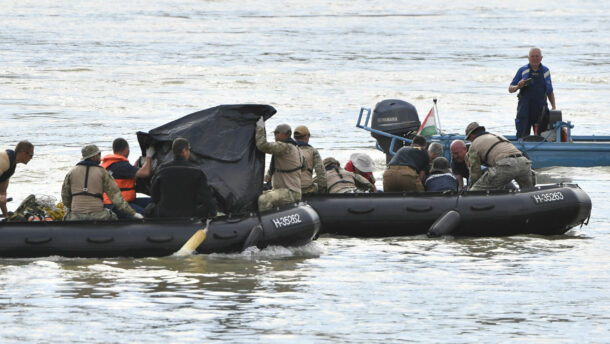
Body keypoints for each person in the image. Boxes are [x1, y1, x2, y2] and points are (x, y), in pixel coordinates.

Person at [61, 144, 142, 221]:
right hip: (98, 215)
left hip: (75, 216)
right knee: (114, 217)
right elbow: (117, 198)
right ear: (94, 156)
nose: (100, 157)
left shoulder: (71, 172)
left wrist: (74, 208)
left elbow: (65, 197)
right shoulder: (103, 172)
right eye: (99, 154)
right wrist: (133, 213)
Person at [148, 138, 216, 218]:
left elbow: (154, 196)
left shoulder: (162, 169)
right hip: (190, 214)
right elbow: (207, 198)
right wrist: (213, 214)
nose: (189, 152)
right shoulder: (197, 171)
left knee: (149, 208)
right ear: (184, 151)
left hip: (164, 213)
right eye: (189, 150)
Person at [465, 122, 534, 191]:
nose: (470, 141)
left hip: (505, 165)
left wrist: (472, 186)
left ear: (471, 135)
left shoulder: (474, 144)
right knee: (529, 190)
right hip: (523, 162)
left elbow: (475, 171)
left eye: (469, 138)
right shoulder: (497, 135)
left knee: (475, 191)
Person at [255, 119, 303, 211]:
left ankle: (265, 223)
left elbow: (262, 145)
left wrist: (260, 126)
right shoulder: (296, 148)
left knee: (264, 199)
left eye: (276, 133)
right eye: (274, 134)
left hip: (290, 192)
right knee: (260, 194)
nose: (275, 136)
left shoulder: (284, 147)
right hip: (289, 190)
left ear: (285, 134)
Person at [509, 47, 556, 138]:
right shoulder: (522, 70)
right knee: (522, 135)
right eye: (532, 56)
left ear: (541, 58)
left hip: (541, 109)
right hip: (524, 108)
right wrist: (518, 86)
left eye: (537, 56)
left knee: (542, 137)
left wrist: (554, 106)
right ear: (528, 58)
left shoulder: (545, 71)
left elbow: (550, 91)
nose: (535, 58)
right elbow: (510, 89)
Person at [101, 138, 155, 217]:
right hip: (117, 204)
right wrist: (149, 157)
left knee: (153, 201)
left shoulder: (109, 164)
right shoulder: (122, 165)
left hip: (113, 201)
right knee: (145, 213)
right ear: (126, 149)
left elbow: (123, 177)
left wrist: (134, 168)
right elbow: (146, 173)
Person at [0, 141, 34, 218]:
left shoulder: (11, 167)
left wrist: (6, 216)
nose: (31, 158)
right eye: (31, 155)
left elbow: (2, 194)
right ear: (23, 152)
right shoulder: (4, 160)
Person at [293, 125, 327, 194]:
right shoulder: (313, 151)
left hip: (290, 189)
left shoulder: (287, 151)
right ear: (306, 137)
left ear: (294, 137)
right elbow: (321, 174)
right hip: (306, 189)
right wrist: (323, 191)